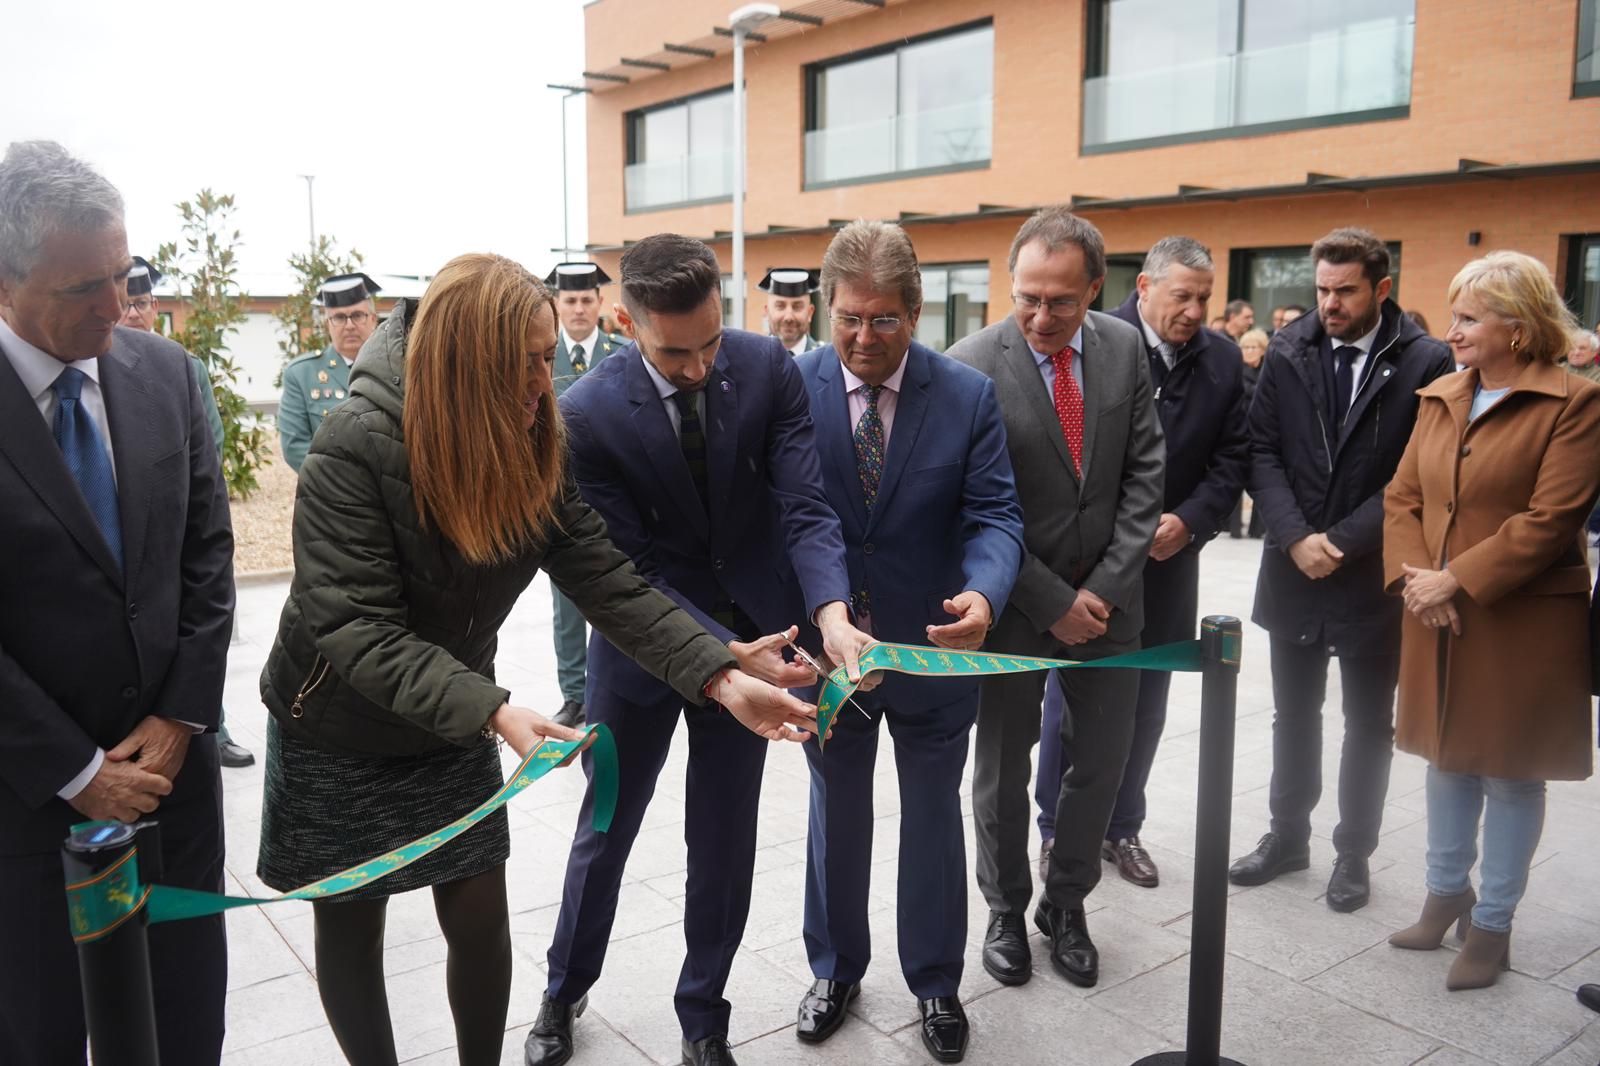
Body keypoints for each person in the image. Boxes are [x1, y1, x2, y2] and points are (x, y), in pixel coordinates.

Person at [256, 252, 822, 1066]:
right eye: (522, 363)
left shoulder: (530, 435)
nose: (541, 380)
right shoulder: (356, 443)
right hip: (338, 721)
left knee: (480, 910)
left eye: (545, 356)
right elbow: (358, 632)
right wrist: (492, 709)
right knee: (351, 919)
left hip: (451, 712)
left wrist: (723, 677)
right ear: (465, 362)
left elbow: (606, 577)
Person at [535, 234, 872, 1066]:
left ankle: (703, 1016)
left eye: (710, 342)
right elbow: (627, 573)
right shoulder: (587, 413)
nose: (698, 367)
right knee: (605, 829)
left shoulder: (766, 370)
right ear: (625, 321)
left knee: (722, 842)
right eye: (674, 351)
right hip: (640, 657)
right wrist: (727, 653)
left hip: (763, 637)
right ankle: (561, 991)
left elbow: (804, 505)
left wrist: (829, 613)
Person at [0, 140, 234, 1065]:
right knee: (43, 1034)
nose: (115, 306)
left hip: (174, 791)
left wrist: (179, 714)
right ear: (7, 280)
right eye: (80, 289)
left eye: (123, 274)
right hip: (29, 806)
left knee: (184, 1025)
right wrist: (75, 768)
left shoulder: (164, 375)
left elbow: (207, 559)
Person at [793, 221, 1024, 1063]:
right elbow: (786, 517)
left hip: (933, 657)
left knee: (932, 820)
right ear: (828, 310)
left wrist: (984, 592)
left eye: (882, 321)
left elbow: (996, 514)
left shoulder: (963, 396)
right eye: (848, 318)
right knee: (835, 816)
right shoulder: (793, 387)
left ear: (916, 313)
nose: (862, 338)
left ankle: (935, 983)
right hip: (830, 658)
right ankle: (834, 969)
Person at [948, 207, 1164, 990]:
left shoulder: (1126, 348)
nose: (1042, 317)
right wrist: (1049, 600)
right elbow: (970, 506)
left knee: (1100, 764)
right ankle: (1005, 909)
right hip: (1013, 605)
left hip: (1112, 610)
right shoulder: (969, 364)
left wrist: (1101, 590)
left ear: (1094, 289)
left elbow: (1145, 476)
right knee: (1003, 768)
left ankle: (1065, 903)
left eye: (1061, 302)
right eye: (1028, 298)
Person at [1383, 251, 1600, 989]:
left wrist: (1455, 580)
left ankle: (1495, 925)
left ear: (1519, 325)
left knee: (1509, 773)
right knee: (1446, 756)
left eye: (1470, 318)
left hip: (1520, 620)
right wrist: (1417, 580)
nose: (1454, 331)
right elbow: (1402, 497)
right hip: (1436, 611)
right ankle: (1447, 895)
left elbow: (1551, 521)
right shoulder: (1440, 392)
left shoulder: (1575, 402)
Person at [1230, 227, 1453, 912]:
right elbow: (1259, 449)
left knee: (1366, 722)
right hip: (1293, 566)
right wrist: (1296, 536)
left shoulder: (1425, 358)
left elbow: (1418, 472)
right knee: (1293, 713)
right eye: (1321, 289)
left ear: (1380, 289)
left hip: (1372, 573)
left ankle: (1353, 853)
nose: (1328, 303)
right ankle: (1286, 836)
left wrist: (1343, 541)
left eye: (1344, 291)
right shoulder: (1291, 349)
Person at [1032, 237, 1248, 891]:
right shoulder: (1093, 343)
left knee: (1147, 703)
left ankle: (1122, 826)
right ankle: (1055, 831)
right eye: (1182, 296)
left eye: (1204, 298)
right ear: (1145, 288)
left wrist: (1191, 519)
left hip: (1170, 562)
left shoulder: (1222, 360)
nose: (1194, 310)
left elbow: (1234, 457)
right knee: (1068, 703)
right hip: (1092, 567)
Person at [119, 255, 255, 769]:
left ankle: (207, 726)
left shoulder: (182, 367)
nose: (132, 312)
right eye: (125, 301)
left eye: (142, 302)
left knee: (196, 619)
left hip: (174, 528)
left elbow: (208, 447)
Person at [543, 262, 630, 729]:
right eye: (569, 300)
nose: (578, 308)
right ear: (558, 304)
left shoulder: (623, 354)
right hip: (558, 500)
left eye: (585, 300)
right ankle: (574, 694)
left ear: (599, 303)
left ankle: (612, 684)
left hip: (613, 502)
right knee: (566, 606)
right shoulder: (541, 354)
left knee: (619, 593)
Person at [279, 271, 381, 471]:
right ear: (328, 324)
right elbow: (295, 448)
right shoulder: (301, 375)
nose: (349, 325)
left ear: (373, 319)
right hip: (330, 494)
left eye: (358, 315)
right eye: (339, 318)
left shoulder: (398, 367)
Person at [1227, 327, 1269, 539]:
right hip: (1240, 433)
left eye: (1253, 347)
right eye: (1244, 347)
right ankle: (1234, 528)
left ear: (1263, 350)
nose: (1249, 351)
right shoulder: (1236, 371)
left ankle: (1257, 528)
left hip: (1261, 434)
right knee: (1236, 480)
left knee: (1260, 481)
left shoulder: (1268, 372)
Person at [760, 266, 822, 355]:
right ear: (767, 312)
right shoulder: (752, 359)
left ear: (810, 313)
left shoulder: (826, 360)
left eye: (797, 307)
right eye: (780, 306)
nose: (789, 317)